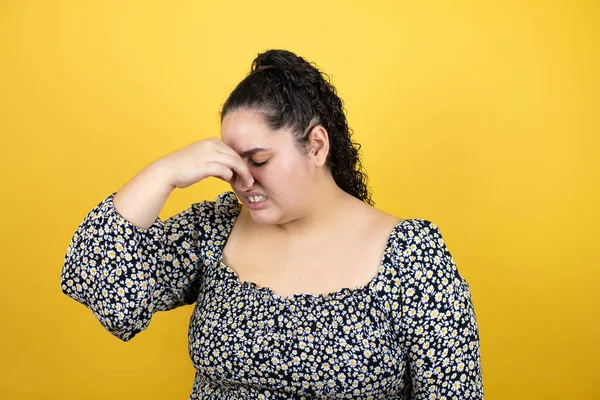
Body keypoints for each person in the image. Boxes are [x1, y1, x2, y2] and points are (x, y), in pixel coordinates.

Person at [61, 49, 484, 399]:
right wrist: (162, 174)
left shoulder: (411, 256)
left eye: (259, 160)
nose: (243, 180)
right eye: (230, 163)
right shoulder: (216, 227)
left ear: (316, 146)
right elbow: (98, 283)